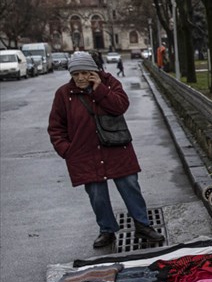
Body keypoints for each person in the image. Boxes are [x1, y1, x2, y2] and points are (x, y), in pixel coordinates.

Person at [47, 51, 165, 248]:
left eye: (84, 73)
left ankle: (143, 225)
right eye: (75, 74)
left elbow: (120, 106)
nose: (80, 78)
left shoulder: (109, 84)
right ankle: (107, 230)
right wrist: (67, 150)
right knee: (97, 194)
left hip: (116, 147)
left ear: (93, 72)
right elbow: (55, 126)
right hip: (84, 153)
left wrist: (99, 89)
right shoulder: (63, 94)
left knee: (130, 186)